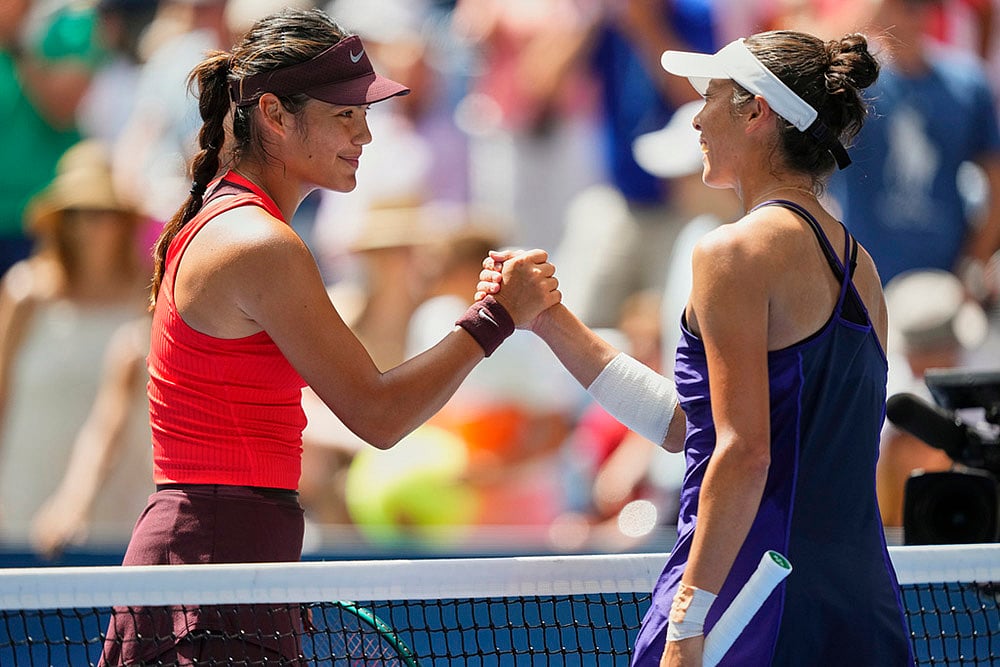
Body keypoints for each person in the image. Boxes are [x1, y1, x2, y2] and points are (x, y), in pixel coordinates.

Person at [99, 7, 559, 665]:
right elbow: (378, 412)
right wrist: (494, 316)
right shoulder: (259, 242)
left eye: (364, 112)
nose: (365, 133)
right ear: (275, 116)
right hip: (213, 558)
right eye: (344, 113)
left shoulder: (236, 224)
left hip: (225, 552)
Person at [480, 28, 913, 666]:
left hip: (747, 601)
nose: (697, 120)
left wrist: (688, 619)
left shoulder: (730, 252)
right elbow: (694, 425)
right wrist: (549, 320)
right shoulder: (861, 265)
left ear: (757, 113)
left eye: (710, 98)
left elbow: (742, 452)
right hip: (856, 605)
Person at [0, 139, 151, 547]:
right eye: (77, 213)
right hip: (25, 495)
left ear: (124, 221)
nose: (90, 224)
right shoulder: (24, 293)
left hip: (125, 501)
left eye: (103, 212)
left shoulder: (152, 293)